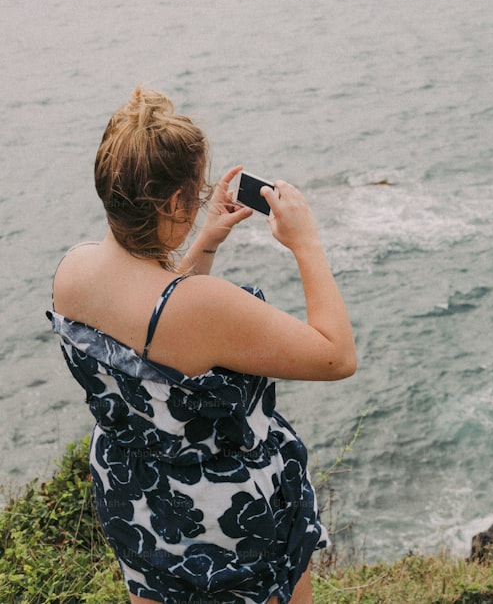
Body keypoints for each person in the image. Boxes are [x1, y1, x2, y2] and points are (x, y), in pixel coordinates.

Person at [46, 87, 356, 604]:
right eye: (196, 192)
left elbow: (153, 338)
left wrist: (204, 240)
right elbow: (337, 354)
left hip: (138, 497)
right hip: (227, 516)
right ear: (173, 202)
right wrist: (307, 243)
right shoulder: (204, 307)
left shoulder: (71, 271)